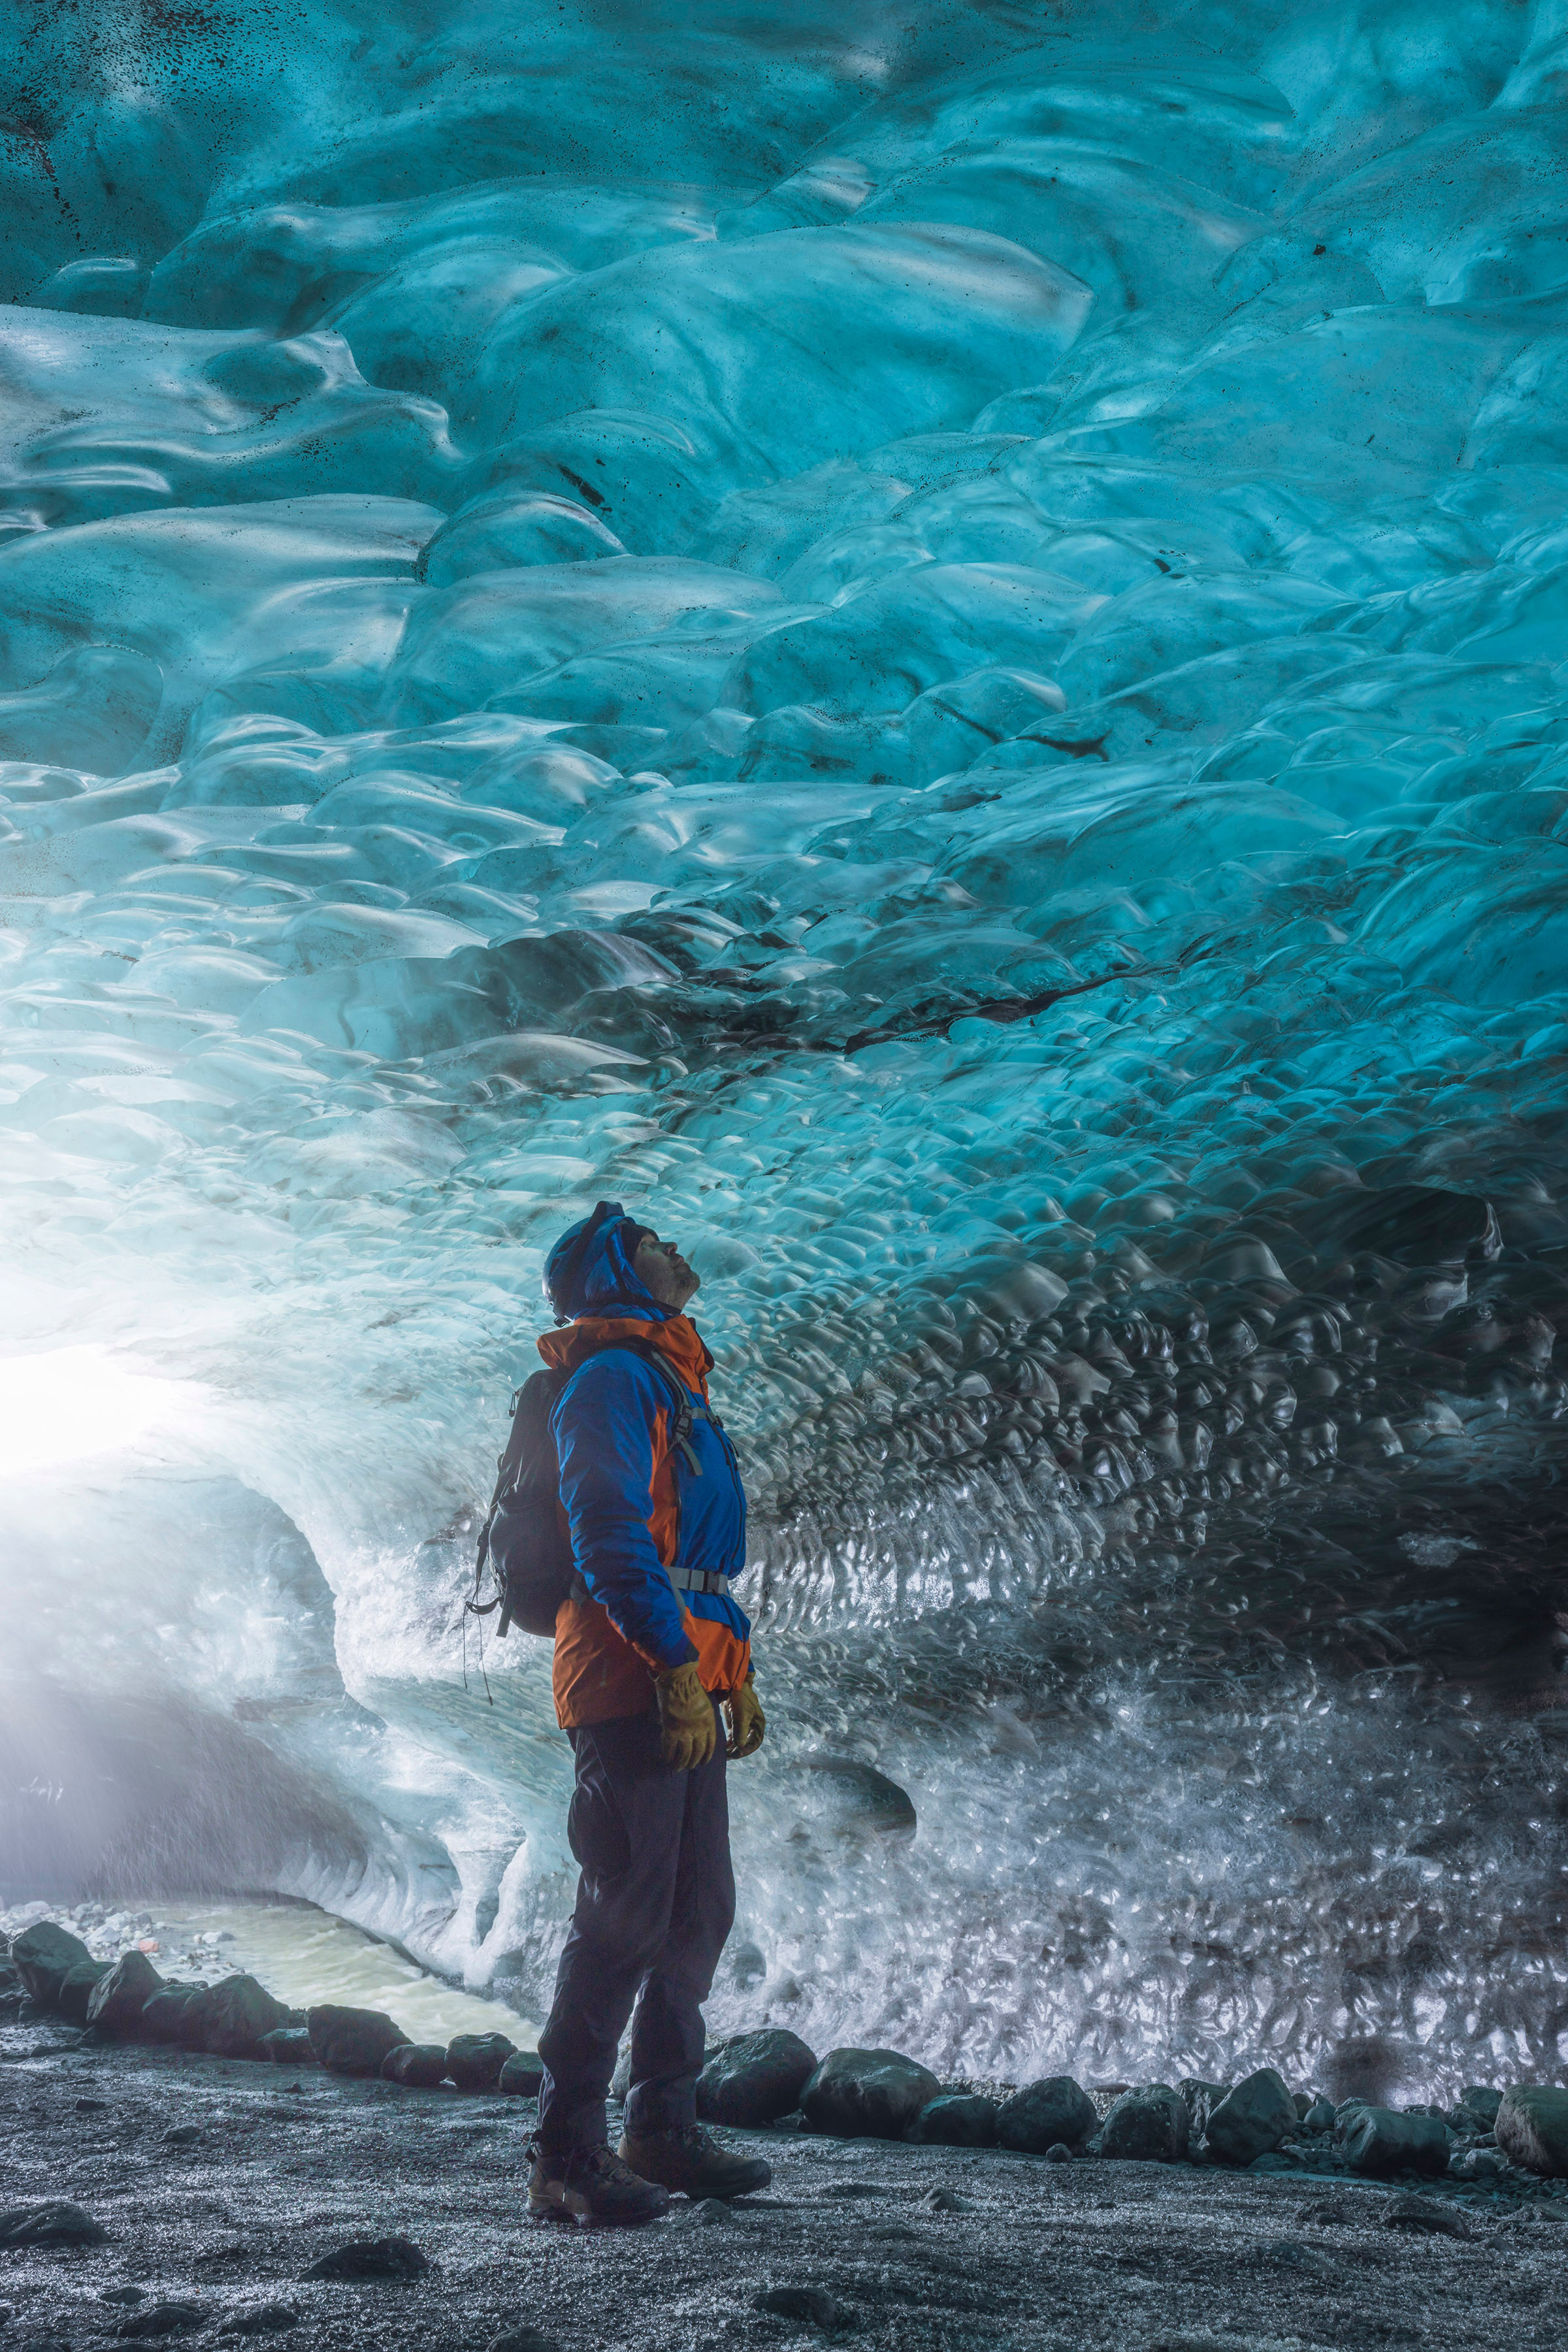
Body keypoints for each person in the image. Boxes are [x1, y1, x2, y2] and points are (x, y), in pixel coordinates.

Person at [527, 1200, 771, 2226]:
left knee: (693, 1911)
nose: (675, 1249)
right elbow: (609, 1536)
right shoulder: (613, 1378)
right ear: (615, 1276)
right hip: (630, 1680)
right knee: (623, 1917)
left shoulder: (670, 1377)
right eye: (651, 1241)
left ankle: (661, 2130)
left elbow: (697, 1562)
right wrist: (673, 1666)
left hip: (681, 1677)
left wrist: (730, 1670)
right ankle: (565, 2156)